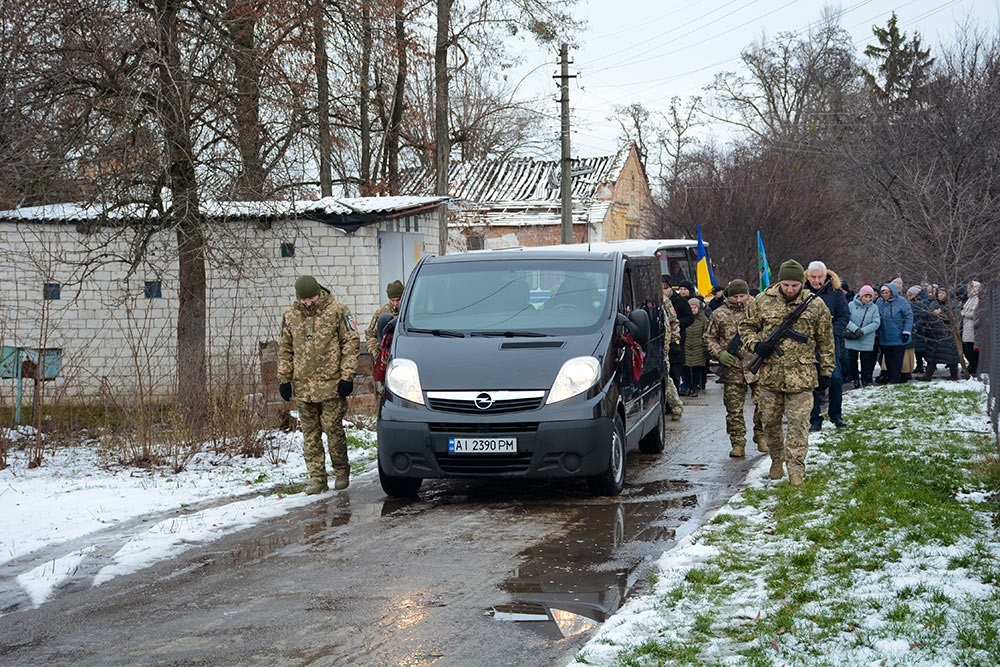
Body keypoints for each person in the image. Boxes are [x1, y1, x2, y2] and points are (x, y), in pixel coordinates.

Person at [738, 259, 835, 486]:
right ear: (779, 282)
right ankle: (777, 459)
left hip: (802, 375)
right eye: (786, 285)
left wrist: (826, 370)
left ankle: (796, 469)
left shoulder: (815, 305)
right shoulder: (762, 301)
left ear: (802, 283)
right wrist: (756, 345)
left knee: (799, 425)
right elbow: (746, 327)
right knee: (770, 422)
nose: (790, 289)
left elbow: (826, 340)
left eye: (794, 285)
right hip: (770, 375)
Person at [278, 275, 360, 494]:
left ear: (318, 293)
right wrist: (284, 379)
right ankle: (317, 478)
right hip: (304, 387)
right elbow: (285, 349)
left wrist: (347, 376)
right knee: (310, 435)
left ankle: (341, 471)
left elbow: (351, 343)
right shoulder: (291, 316)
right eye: (304, 299)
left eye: (311, 298)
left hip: (331, 385)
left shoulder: (337, 311)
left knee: (333, 430)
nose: (308, 303)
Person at [703, 279, 764, 458]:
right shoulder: (718, 314)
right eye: (735, 296)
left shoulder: (757, 310)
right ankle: (738, 442)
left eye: (742, 296)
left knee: (764, 404)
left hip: (756, 365)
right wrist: (719, 353)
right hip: (732, 368)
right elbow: (709, 338)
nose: (739, 300)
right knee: (734, 409)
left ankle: (761, 435)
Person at [805, 261, 849, 431]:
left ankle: (836, 414)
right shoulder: (802, 291)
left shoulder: (836, 292)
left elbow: (844, 316)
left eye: (820, 277)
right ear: (808, 276)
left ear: (826, 275)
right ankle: (815, 418)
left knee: (835, 378)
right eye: (813, 277)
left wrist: (831, 333)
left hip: (830, 344)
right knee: (811, 381)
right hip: (808, 344)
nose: (816, 280)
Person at [366, 280, 403, 395]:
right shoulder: (381, 312)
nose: (395, 303)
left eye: (398, 300)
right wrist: (376, 353)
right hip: (385, 358)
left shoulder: (407, 310)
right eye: (393, 300)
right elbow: (370, 334)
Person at [843, 284, 881, 388]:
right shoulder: (851, 305)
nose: (868, 299)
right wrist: (855, 329)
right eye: (866, 296)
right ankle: (855, 378)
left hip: (866, 337)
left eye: (870, 297)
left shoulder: (874, 308)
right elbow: (846, 319)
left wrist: (863, 331)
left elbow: (876, 322)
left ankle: (865, 379)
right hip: (853, 335)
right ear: (861, 295)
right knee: (852, 359)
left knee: (866, 360)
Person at [920, 286, 961, 381]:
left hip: (947, 334)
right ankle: (928, 375)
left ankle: (954, 375)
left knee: (951, 356)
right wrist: (934, 314)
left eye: (942, 293)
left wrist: (941, 313)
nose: (940, 295)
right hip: (934, 333)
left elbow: (954, 317)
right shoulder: (934, 303)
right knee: (931, 356)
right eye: (939, 293)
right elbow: (929, 315)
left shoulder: (953, 305)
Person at [875, 283, 913, 384]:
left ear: (892, 292)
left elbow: (909, 316)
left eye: (887, 293)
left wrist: (906, 331)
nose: (885, 295)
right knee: (887, 358)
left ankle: (896, 377)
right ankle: (890, 375)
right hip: (884, 335)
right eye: (883, 293)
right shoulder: (879, 302)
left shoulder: (902, 301)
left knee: (897, 358)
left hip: (899, 335)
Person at [664, 280, 693, 393]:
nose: (663, 291)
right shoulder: (658, 301)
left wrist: (675, 324)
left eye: (665, 288)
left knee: (675, 369)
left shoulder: (680, 301)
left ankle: (676, 391)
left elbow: (689, 318)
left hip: (676, 338)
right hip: (662, 340)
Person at [659, 290, 684, 421]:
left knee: (665, 376)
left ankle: (676, 406)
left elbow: (673, 321)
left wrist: (675, 340)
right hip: (644, 344)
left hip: (662, 344)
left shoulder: (663, 300)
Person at [682, 298, 709, 397]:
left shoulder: (703, 319)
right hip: (686, 346)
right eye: (691, 308)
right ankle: (687, 386)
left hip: (698, 347)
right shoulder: (685, 318)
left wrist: (704, 343)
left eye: (695, 307)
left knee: (696, 369)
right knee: (685, 368)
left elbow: (707, 332)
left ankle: (695, 387)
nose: (693, 309)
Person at [961, 280, 981, 377]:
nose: (968, 289)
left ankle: (974, 366)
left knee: (970, 348)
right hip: (966, 325)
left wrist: (964, 314)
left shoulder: (976, 299)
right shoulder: (970, 298)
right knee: (966, 347)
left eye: (970, 287)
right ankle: (972, 365)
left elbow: (974, 313)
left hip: (971, 326)